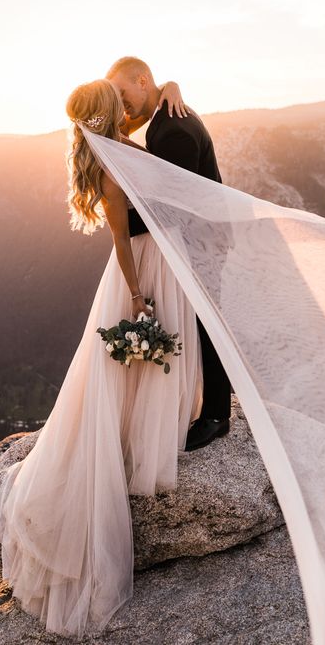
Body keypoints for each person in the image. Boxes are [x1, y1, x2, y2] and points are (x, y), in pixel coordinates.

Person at [0, 78, 206, 638]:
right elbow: (119, 238)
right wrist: (137, 299)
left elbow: (146, 118)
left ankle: (151, 431)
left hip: (161, 256)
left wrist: (170, 86)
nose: (126, 102)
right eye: (118, 98)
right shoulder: (108, 162)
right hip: (139, 269)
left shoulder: (114, 139)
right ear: (109, 111)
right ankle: (130, 445)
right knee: (125, 366)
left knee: (136, 368)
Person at [106, 56, 231, 451]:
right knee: (202, 322)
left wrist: (124, 230)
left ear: (144, 81)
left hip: (201, 239)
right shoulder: (163, 114)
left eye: (124, 94)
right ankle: (209, 409)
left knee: (208, 326)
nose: (124, 107)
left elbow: (171, 209)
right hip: (200, 235)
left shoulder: (172, 129)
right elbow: (116, 126)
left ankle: (215, 416)